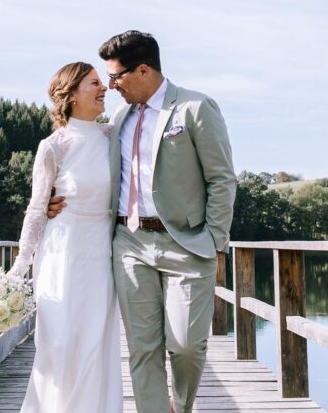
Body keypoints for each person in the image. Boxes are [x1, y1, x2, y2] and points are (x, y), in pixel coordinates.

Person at [49, 31, 236, 413]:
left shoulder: (195, 108)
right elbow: (78, 149)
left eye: (116, 77)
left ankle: (180, 407)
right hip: (130, 244)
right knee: (143, 348)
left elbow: (222, 178)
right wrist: (56, 200)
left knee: (185, 345)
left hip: (187, 244)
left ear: (144, 70)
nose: (110, 86)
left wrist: (215, 238)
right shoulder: (118, 118)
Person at [8, 61, 122, 412]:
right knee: (59, 342)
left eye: (104, 82)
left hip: (101, 254)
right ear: (71, 95)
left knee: (94, 345)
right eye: (94, 83)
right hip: (61, 252)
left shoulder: (112, 136)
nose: (103, 88)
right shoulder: (53, 146)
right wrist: (18, 267)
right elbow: (37, 208)